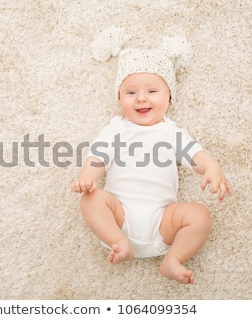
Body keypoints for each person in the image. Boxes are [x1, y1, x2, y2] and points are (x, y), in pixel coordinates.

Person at [72, 27, 232, 284]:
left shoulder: (171, 132)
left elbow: (195, 153)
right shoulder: (116, 128)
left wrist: (211, 166)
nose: (141, 99)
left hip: (162, 222)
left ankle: (173, 258)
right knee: (90, 199)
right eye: (131, 92)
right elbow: (97, 155)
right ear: (119, 97)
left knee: (200, 215)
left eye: (152, 91)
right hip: (119, 215)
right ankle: (119, 243)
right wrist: (87, 178)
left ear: (170, 97)